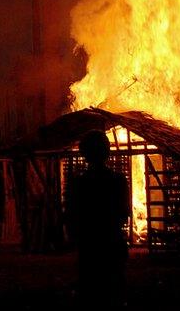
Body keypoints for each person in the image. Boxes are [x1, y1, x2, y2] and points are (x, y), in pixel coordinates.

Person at [67, 130, 130, 309]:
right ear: (107, 152)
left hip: (89, 246)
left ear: (84, 154)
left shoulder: (80, 183)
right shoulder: (118, 180)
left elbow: (73, 216)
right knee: (113, 291)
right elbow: (123, 213)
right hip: (111, 243)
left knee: (91, 291)